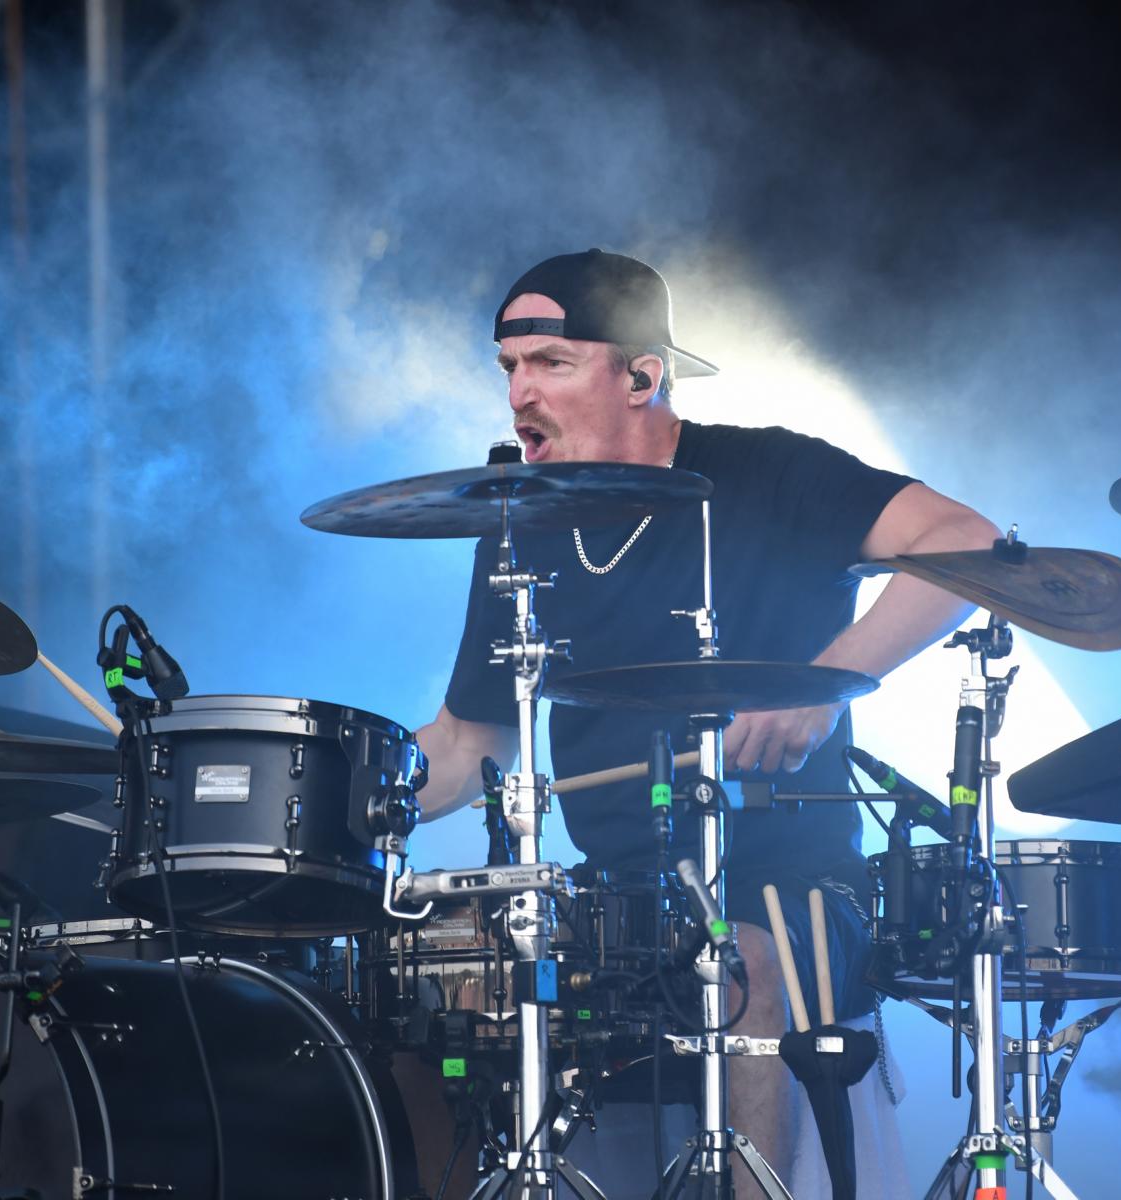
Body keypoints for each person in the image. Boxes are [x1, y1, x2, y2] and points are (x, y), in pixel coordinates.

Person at [412, 248, 997, 1196]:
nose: (520, 394)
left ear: (642, 376)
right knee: (432, 983)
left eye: (552, 362)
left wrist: (822, 689)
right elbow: (465, 745)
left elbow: (968, 542)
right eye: (510, 368)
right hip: (612, 900)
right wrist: (317, 805)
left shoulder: (768, 472)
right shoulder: (521, 526)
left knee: (735, 960)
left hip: (791, 886)